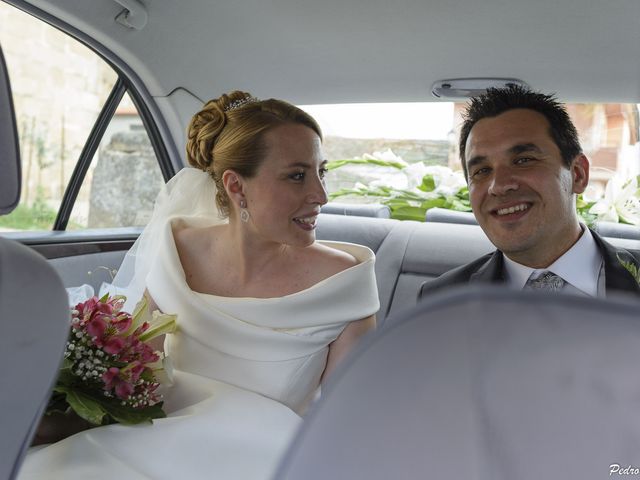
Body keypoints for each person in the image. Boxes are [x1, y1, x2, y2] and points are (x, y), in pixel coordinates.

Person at [20, 91, 379, 479]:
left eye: (320, 172)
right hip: (141, 445)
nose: (321, 196)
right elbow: (134, 381)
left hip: (262, 463)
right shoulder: (175, 251)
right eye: (297, 175)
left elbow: (350, 425)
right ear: (236, 186)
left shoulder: (345, 282)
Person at [420, 85, 640, 299]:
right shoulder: (439, 301)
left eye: (523, 160)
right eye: (482, 170)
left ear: (578, 174)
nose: (498, 185)